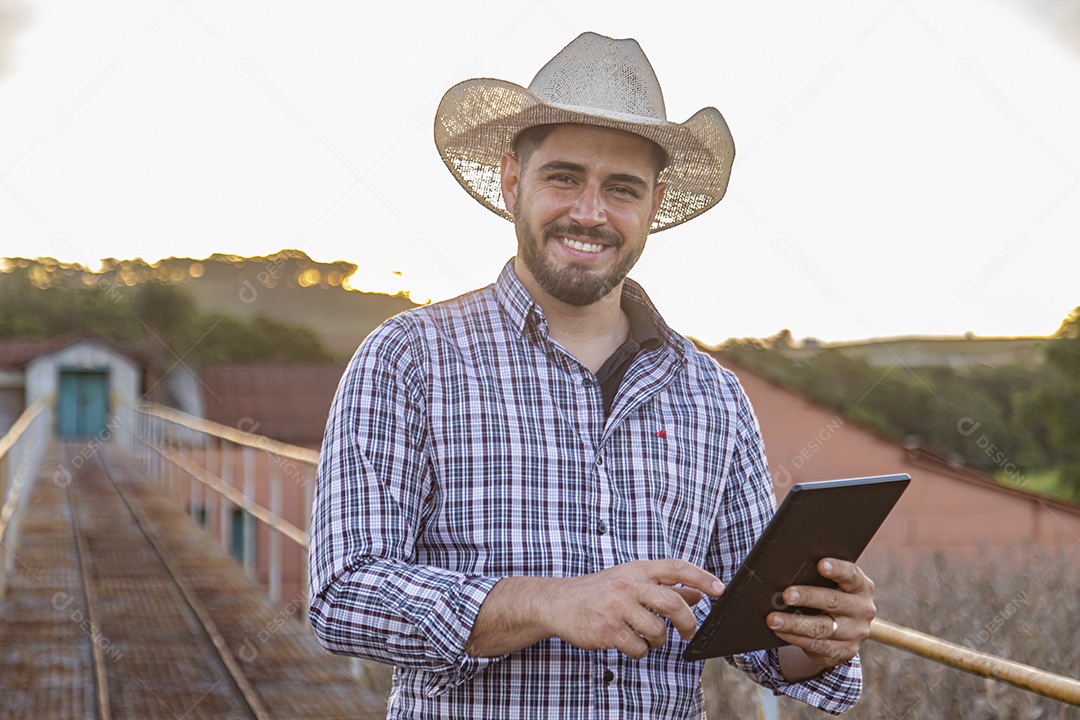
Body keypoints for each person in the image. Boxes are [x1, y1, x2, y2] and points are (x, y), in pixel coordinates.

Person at [309, 32, 876, 718]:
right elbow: (343, 594)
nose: (589, 212)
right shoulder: (408, 358)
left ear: (653, 205)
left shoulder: (713, 395)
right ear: (513, 181)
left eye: (622, 189)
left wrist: (819, 635)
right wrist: (550, 602)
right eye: (564, 177)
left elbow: (754, 633)